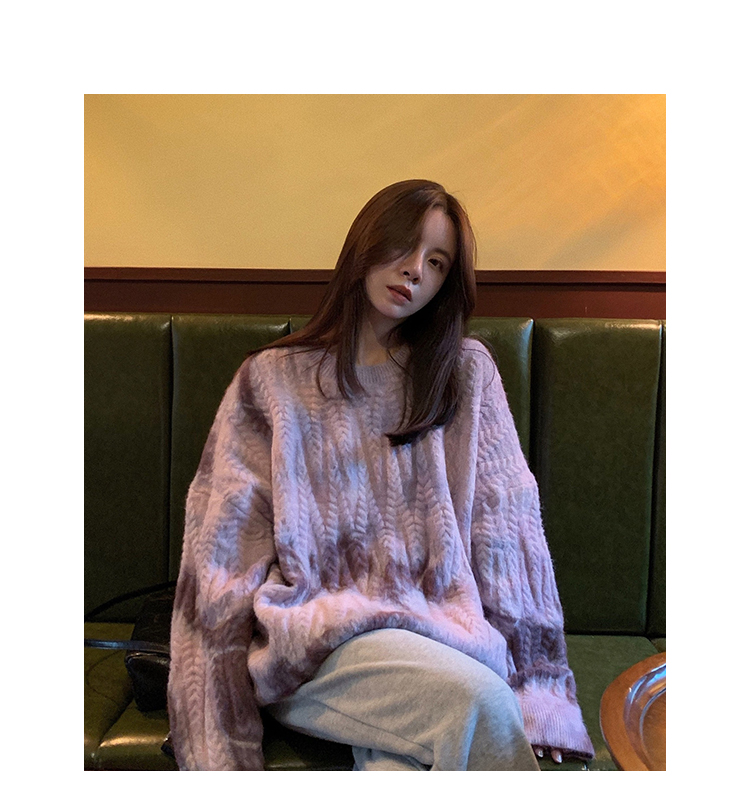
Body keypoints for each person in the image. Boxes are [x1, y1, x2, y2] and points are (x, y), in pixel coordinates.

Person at [167, 179, 595, 771]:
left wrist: (542, 691)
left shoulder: (465, 374)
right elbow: (221, 558)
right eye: (404, 246)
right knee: (480, 705)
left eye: (437, 262)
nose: (416, 270)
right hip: (316, 651)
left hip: (443, 642)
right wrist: (216, 735)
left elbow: (509, 537)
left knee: (407, 763)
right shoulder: (272, 380)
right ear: (366, 244)